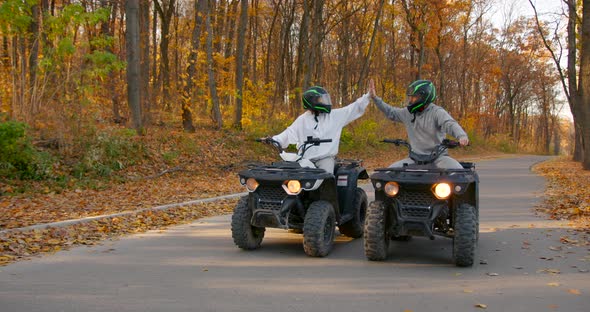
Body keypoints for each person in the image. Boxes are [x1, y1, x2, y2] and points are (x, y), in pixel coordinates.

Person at [368, 79, 469, 169]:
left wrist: (461, 136)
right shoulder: (407, 113)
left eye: (414, 97)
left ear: (424, 96)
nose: (410, 100)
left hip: (438, 158)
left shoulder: (437, 112)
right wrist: (375, 98)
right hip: (414, 159)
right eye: (410, 97)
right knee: (389, 173)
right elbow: (391, 112)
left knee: (459, 173)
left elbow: (450, 124)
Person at [271, 86, 371, 174]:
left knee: (325, 178)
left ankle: (328, 195)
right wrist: (274, 140)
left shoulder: (335, 116)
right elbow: (288, 133)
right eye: (321, 100)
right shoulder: (302, 120)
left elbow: (352, 109)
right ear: (312, 101)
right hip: (305, 160)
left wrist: (368, 96)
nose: (324, 102)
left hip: (325, 159)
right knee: (294, 179)